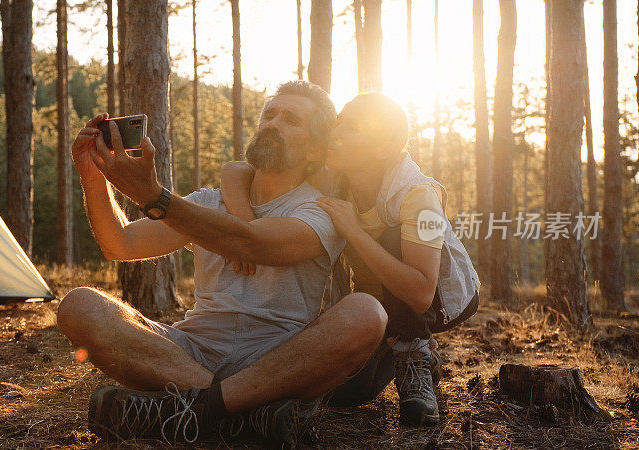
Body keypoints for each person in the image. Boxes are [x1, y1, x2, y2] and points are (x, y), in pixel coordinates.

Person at [56, 81, 389, 446]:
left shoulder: (319, 210)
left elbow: (251, 242)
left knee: (367, 313)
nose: (273, 124)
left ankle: (196, 408)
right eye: (269, 114)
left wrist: (153, 196)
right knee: (79, 305)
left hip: (277, 361)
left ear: (314, 146)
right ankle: (240, 414)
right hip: (189, 354)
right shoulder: (207, 204)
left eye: (291, 120)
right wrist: (92, 177)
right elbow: (119, 243)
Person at [220, 92, 479, 426]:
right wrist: (244, 228)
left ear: (383, 148)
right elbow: (236, 169)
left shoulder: (420, 197)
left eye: (351, 128)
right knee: (346, 393)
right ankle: (405, 348)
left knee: (391, 237)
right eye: (339, 121)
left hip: (442, 301)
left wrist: (354, 232)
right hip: (374, 302)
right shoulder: (335, 173)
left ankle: (414, 354)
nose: (336, 132)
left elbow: (421, 293)